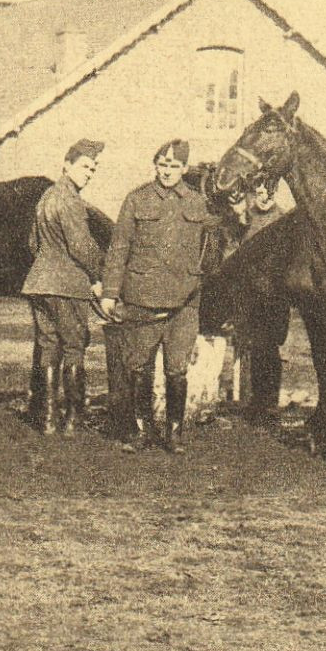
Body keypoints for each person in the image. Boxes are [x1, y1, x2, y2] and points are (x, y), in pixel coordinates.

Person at [101, 139, 216, 454]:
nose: (167, 171)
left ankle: (174, 434)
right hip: (143, 299)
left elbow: (217, 243)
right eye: (162, 165)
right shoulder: (136, 200)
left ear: (183, 169)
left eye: (174, 166)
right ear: (155, 166)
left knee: (177, 369)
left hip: (184, 303)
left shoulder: (198, 203)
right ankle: (141, 431)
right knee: (139, 367)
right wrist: (110, 293)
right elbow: (118, 249)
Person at [20, 138, 107, 435]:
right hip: (67, 285)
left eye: (93, 169)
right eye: (84, 166)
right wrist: (98, 277)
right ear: (66, 165)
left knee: (48, 347)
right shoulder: (71, 200)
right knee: (74, 347)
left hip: (38, 284)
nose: (89, 173)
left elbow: (32, 243)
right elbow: (81, 245)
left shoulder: (45, 197)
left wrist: (48, 262)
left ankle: (47, 419)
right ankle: (73, 418)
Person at [226, 177, 291, 422]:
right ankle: (256, 400)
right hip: (249, 293)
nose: (263, 197)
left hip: (274, 294)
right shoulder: (245, 218)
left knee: (268, 347)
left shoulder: (284, 219)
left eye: (268, 193)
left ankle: (268, 401)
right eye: (259, 192)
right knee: (252, 345)